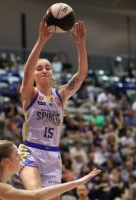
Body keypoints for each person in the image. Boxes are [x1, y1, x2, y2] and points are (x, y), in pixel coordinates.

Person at [18, 16, 88, 196]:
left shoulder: (61, 95)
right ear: (34, 73)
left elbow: (81, 75)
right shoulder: (30, 94)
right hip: (31, 150)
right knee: (36, 195)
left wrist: (80, 43)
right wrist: (41, 40)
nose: (43, 70)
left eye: (47, 67)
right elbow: (26, 72)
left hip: (53, 156)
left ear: (51, 72)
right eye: (39, 68)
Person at [0, 139, 100, 200]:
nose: (21, 158)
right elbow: (37, 196)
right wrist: (78, 182)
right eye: (17, 155)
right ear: (6, 162)